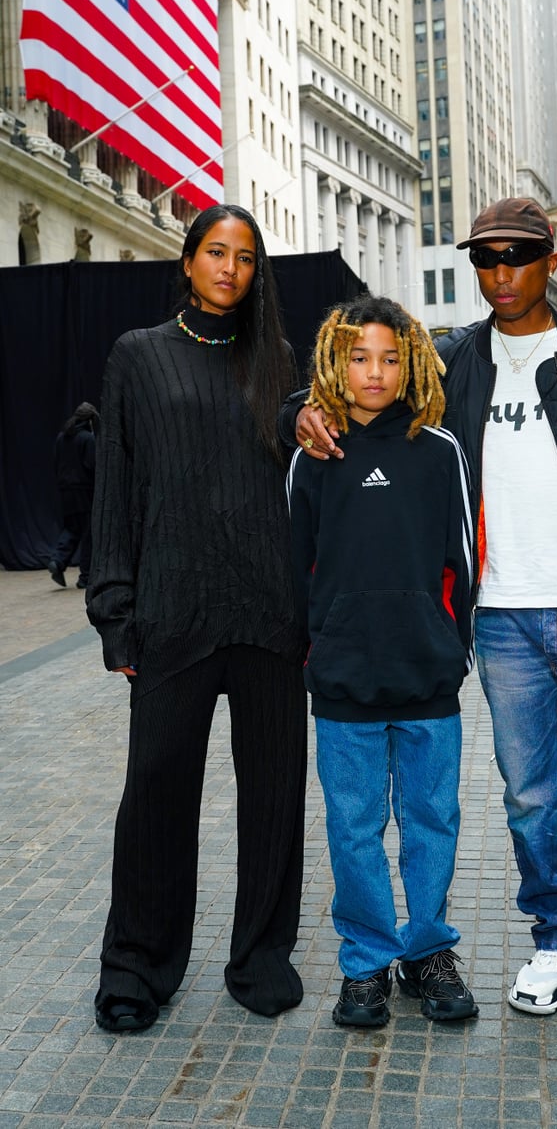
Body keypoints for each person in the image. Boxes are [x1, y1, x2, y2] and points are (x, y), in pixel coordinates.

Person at [288, 198, 557, 1060]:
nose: (502, 272)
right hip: (504, 622)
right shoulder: (454, 360)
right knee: (529, 800)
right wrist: (306, 408)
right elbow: (367, 377)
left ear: (551, 260)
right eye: (486, 259)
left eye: (519, 256)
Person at [87, 204, 307, 1034]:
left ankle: (261, 955)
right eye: (215, 252)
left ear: (257, 274)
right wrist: (116, 613)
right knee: (154, 798)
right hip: (172, 615)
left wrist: (312, 611)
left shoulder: (278, 360)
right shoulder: (139, 357)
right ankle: (136, 968)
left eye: (246, 258)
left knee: (276, 799)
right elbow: (116, 490)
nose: (229, 268)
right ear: (186, 262)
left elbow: (300, 497)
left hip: (270, 618)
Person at [287, 295, 478, 1028]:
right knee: (354, 827)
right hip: (343, 682)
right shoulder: (315, 455)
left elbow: (464, 560)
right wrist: (318, 647)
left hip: (427, 677)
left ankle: (427, 951)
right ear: (338, 362)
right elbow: (294, 563)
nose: (376, 371)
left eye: (391, 357)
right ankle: (365, 961)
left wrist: (448, 645)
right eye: (360, 357)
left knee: (433, 818)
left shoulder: (440, 450)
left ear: (413, 363)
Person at [46, 401, 99, 588]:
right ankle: (86, 577)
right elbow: (92, 466)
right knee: (88, 533)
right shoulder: (87, 438)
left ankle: (58, 560)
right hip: (84, 491)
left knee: (71, 528)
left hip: (65, 490)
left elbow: (55, 463)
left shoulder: (62, 437)